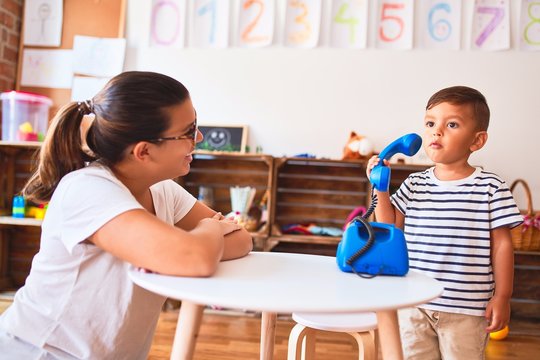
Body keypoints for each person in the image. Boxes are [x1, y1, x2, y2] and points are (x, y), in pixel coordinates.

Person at [0, 71, 253, 359]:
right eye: (188, 131)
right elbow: (196, 258)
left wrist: (181, 250)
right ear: (144, 151)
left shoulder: (163, 191)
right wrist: (207, 229)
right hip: (41, 351)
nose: (199, 137)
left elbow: (242, 239)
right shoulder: (87, 189)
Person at [366, 86, 522, 359]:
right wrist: (380, 187)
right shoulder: (414, 184)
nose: (436, 131)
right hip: (413, 302)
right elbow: (390, 227)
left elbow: (502, 247)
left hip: (467, 310)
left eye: (451, 124)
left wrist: (503, 296)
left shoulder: (491, 188)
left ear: (476, 141)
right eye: (430, 123)